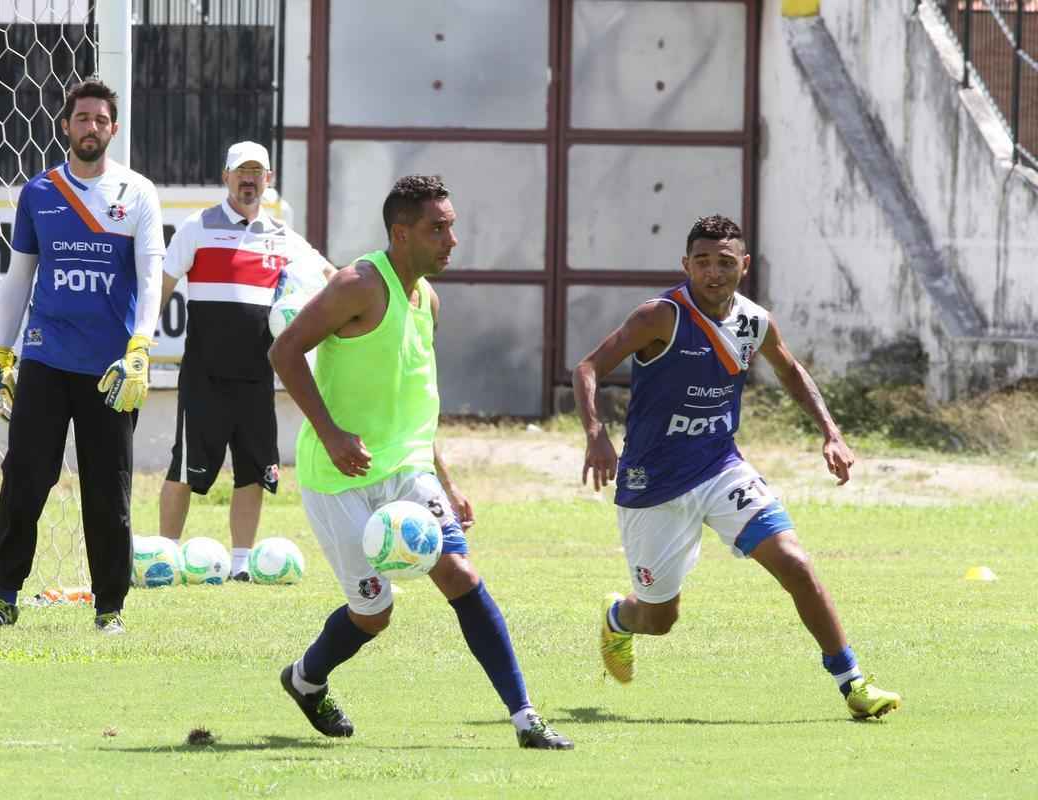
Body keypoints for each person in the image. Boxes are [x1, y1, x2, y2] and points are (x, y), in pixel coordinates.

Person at [268, 175, 573, 750]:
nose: (451, 240)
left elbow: (416, 403)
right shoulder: (357, 285)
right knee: (374, 612)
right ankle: (306, 679)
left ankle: (525, 718)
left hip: (408, 472)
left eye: (451, 227)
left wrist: (447, 483)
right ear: (401, 233)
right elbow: (283, 351)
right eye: (438, 229)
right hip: (338, 478)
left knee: (460, 575)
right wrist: (330, 434)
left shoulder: (428, 300)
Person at [574, 214, 900, 720]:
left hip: (721, 467)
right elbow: (588, 367)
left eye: (724, 262)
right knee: (659, 619)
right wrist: (596, 433)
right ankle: (619, 618)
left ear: (743, 265)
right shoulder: (660, 317)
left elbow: (789, 369)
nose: (713, 272)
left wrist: (831, 431)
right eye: (702, 262)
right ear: (685, 265)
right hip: (653, 482)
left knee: (795, 563)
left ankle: (853, 682)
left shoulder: (754, 321)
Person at [0, 79, 165, 634]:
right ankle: (4, 596)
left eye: (100, 120)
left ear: (113, 129)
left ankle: (110, 609)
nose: (91, 127)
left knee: (108, 490)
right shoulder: (39, 192)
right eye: (82, 118)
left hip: (111, 369)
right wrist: (3, 351)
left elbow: (151, 276)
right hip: (46, 358)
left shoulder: (137, 193)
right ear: (65, 126)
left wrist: (141, 346)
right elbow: (19, 278)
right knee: (24, 478)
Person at [157, 140, 332, 579]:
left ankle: (240, 565)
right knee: (184, 468)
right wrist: (138, 343)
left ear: (268, 179)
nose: (249, 179)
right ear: (226, 177)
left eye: (257, 172)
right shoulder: (197, 227)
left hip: (257, 377)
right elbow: (161, 287)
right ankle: (163, 557)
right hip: (204, 376)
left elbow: (331, 277)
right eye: (241, 171)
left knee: (252, 471)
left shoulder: (284, 238)